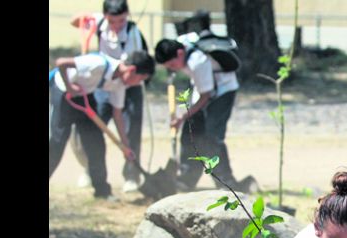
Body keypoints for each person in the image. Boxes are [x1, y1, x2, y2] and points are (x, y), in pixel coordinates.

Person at [49, 50, 154, 201]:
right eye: (140, 79)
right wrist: (70, 87)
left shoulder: (119, 85)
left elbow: (117, 116)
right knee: (57, 143)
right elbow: (61, 63)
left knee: (96, 144)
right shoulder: (97, 64)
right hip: (64, 93)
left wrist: (125, 146)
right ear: (131, 70)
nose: (138, 84)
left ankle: (102, 191)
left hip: (85, 96)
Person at [71, 0, 149, 193]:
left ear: (127, 15)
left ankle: (132, 174)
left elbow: (132, 68)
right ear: (105, 16)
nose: (117, 25)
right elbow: (76, 22)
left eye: (121, 20)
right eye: (112, 21)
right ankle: (91, 169)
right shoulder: (99, 24)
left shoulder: (133, 34)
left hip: (128, 85)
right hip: (102, 83)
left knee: (131, 130)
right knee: (93, 127)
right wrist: (85, 17)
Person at [154, 37, 240, 191]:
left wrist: (182, 117)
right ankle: (187, 179)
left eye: (173, 65)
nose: (173, 69)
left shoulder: (198, 62)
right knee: (190, 133)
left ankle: (226, 182)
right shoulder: (181, 43)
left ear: (180, 53)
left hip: (223, 91)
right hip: (202, 90)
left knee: (212, 136)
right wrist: (185, 118)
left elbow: (206, 96)